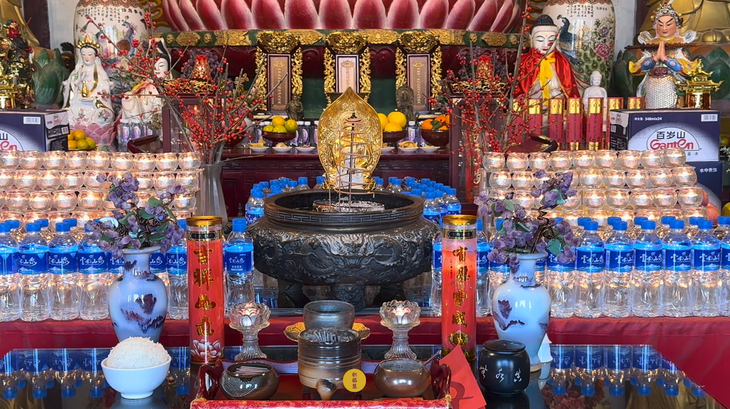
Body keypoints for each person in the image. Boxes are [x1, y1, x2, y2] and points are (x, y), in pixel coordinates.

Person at [630, 0, 698, 109]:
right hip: (651, 83)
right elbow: (639, 68)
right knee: (651, 111)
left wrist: (665, 59)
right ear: (655, 27)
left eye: (669, 24)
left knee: (671, 111)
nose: (664, 28)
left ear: (677, 26)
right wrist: (655, 58)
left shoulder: (680, 44)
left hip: (671, 83)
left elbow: (685, 69)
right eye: (660, 25)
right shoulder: (651, 44)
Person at [62, 34, 115, 147]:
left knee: (105, 115)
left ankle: (96, 137)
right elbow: (70, 86)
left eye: (90, 54)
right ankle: (76, 134)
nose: (86, 57)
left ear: (95, 56)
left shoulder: (100, 72)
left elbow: (104, 88)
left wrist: (94, 98)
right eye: (83, 54)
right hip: (77, 104)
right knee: (65, 115)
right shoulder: (77, 71)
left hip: (94, 105)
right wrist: (76, 83)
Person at [516, 14, 580, 100]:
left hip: (557, 104)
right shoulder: (525, 62)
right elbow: (519, 92)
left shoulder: (561, 62)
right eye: (540, 40)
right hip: (533, 105)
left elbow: (570, 90)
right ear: (531, 39)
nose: (546, 44)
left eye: (551, 40)